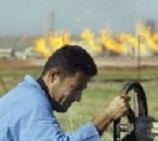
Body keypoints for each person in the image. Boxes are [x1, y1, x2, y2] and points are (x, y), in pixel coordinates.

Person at [0, 44, 131, 141]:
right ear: (53, 76)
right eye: (75, 88)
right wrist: (107, 116)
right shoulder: (32, 103)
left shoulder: (27, 95)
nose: (78, 98)